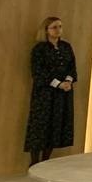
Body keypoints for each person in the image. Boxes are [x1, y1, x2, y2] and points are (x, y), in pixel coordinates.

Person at [24, 17, 77, 166]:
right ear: (46, 30)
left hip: (62, 94)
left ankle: (45, 162)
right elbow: (38, 72)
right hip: (45, 94)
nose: (58, 30)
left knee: (55, 126)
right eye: (54, 27)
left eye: (60, 26)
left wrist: (68, 81)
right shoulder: (39, 49)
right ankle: (34, 163)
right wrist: (58, 84)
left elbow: (72, 67)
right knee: (40, 127)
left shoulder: (66, 47)